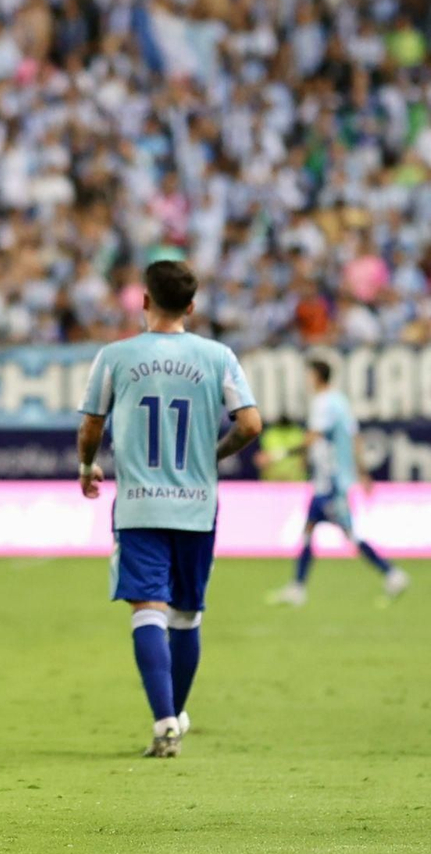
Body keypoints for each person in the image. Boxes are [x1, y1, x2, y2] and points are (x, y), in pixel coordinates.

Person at [76, 260, 262, 758]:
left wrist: (87, 465)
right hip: (196, 505)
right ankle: (175, 714)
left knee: (147, 610)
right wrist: (211, 455)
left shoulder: (115, 356)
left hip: (139, 505)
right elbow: (250, 424)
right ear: (193, 306)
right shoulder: (218, 356)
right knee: (186, 616)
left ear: (143, 300)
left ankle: (164, 723)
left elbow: (92, 425)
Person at [263, 360, 410, 607]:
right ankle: (298, 587)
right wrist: (361, 472)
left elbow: (313, 437)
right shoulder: (340, 401)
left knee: (349, 534)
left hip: (331, 483)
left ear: (317, 376)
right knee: (309, 530)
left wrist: (278, 455)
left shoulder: (323, 403)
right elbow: (354, 437)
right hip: (328, 480)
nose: (306, 380)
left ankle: (392, 573)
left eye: (309, 375)